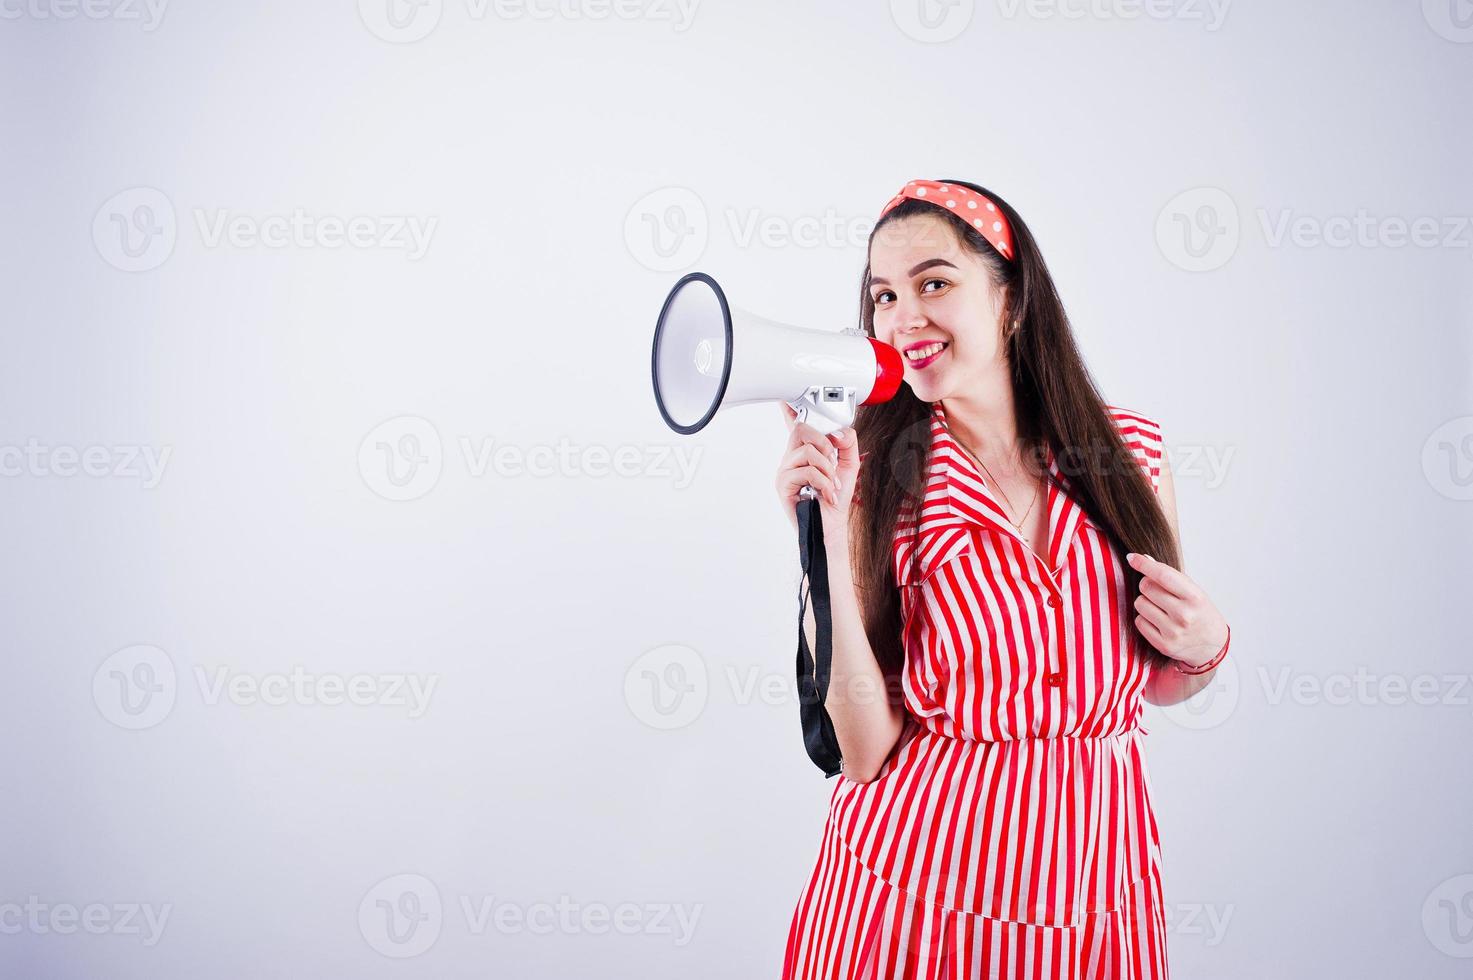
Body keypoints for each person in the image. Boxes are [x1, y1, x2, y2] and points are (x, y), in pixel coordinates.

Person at [773, 179, 1231, 979]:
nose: (901, 318)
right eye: (882, 295)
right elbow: (861, 751)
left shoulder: (1127, 457)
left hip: (1098, 895)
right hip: (910, 905)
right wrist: (823, 536)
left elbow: (1160, 681)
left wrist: (1206, 647)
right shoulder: (878, 481)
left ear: (1011, 300)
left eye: (934, 283)